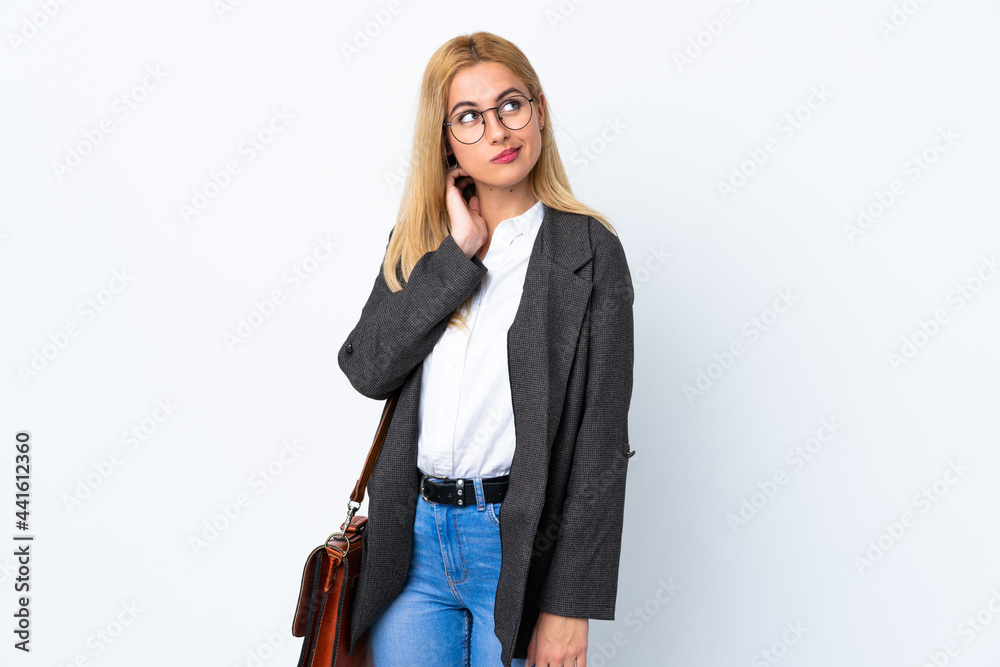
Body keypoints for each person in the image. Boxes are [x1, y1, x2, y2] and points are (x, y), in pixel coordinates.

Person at [337, 31, 635, 667]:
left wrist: (569, 604)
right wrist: (455, 258)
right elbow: (368, 367)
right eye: (468, 117)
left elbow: (600, 447)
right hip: (410, 545)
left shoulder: (587, 253)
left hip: (519, 546)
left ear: (539, 111)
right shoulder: (421, 242)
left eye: (511, 105)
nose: (497, 131)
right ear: (445, 140)